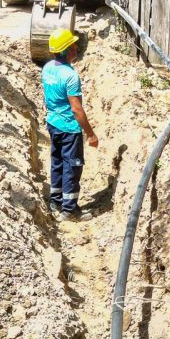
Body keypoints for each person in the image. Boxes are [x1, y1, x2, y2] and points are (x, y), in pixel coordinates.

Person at [43, 28, 99, 220]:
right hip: (68, 128)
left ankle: (55, 200)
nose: (76, 48)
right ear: (66, 50)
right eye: (72, 45)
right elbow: (76, 109)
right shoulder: (70, 76)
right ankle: (69, 210)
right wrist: (90, 134)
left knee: (57, 161)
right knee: (72, 167)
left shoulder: (48, 67)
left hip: (53, 123)